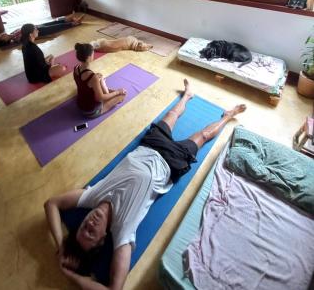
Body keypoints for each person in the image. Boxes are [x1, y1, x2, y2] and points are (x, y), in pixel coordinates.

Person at [44, 79, 246, 290]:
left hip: (151, 145)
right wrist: (73, 277)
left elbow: (51, 204)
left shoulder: (91, 196)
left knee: (171, 115)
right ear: (103, 239)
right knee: (203, 136)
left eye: (85, 226)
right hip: (171, 163)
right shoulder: (122, 230)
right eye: (92, 233)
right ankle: (228, 116)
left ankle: (187, 95)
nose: (91, 223)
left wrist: (60, 247)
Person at [73, 43, 127, 119]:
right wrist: (117, 92)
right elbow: (100, 98)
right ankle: (115, 92)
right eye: (93, 53)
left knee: (99, 78)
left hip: (80, 104)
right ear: (89, 57)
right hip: (90, 111)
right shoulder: (92, 77)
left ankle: (109, 91)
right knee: (122, 95)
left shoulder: (76, 68)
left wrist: (97, 80)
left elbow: (84, 83)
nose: (93, 55)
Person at [0, 13, 84, 48]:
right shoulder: (17, 39)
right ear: (5, 40)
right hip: (40, 31)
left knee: (54, 22)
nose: (2, 35)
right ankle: (76, 22)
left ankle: (72, 19)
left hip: (37, 26)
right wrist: (46, 37)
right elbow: (33, 39)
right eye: (1, 37)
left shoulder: (12, 33)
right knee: (58, 26)